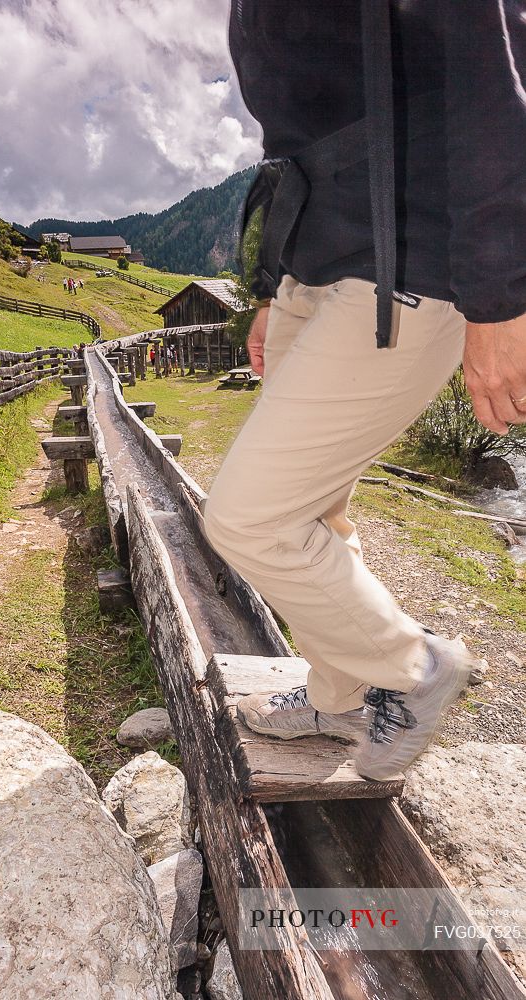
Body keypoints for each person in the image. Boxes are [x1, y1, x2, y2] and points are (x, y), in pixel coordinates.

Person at [202, 1, 526, 781]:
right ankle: (340, 694)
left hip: (411, 270)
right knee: (313, 508)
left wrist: (499, 297)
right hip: (314, 269)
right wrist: (273, 286)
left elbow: (492, 92)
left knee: (249, 519)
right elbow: (298, 144)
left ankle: (416, 670)